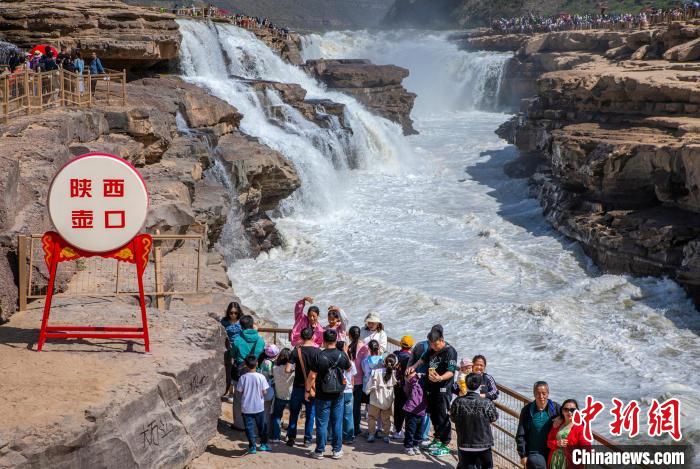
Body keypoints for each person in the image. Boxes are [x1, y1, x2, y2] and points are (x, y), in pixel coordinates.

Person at [406, 326, 457, 457]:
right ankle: (437, 439)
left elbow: (451, 371)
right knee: (433, 415)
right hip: (431, 388)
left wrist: (440, 378)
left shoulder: (450, 351)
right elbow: (423, 359)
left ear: (442, 340)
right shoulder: (431, 348)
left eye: (435, 345)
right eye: (431, 345)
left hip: (444, 388)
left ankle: (445, 444)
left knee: (442, 415)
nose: (433, 347)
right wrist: (413, 366)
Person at [306, 329, 351, 460]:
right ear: (336, 340)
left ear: (323, 340)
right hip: (338, 394)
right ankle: (337, 450)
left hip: (322, 394)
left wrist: (308, 391)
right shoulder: (342, 355)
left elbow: (312, 376)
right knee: (337, 422)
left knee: (322, 423)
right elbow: (349, 368)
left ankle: (319, 451)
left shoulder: (319, 356)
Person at [450, 373, 499, 469]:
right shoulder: (487, 402)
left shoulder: (458, 401)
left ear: (466, 384)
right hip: (484, 444)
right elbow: (494, 417)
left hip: (464, 443)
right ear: (480, 386)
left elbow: (453, 418)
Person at [516, 381, 561, 469]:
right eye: (538, 393)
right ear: (534, 394)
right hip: (534, 453)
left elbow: (571, 417)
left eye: (544, 393)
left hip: (552, 450)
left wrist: (561, 418)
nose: (541, 396)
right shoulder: (527, 410)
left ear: (548, 393)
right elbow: (520, 434)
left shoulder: (556, 408)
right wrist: (523, 455)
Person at [230, 315, 265, 430]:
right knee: (254, 397)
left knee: (238, 398)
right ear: (252, 324)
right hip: (255, 372)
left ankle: (239, 424)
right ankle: (253, 424)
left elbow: (233, 354)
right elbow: (260, 354)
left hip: (240, 372)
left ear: (241, 326)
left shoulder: (237, 340)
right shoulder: (260, 340)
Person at [286, 327, 319, 447]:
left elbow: (287, 369)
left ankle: (291, 438)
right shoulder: (317, 352)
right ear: (313, 336)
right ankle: (307, 439)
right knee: (310, 414)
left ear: (301, 337)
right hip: (311, 388)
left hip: (297, 387)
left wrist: (294, 370)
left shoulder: (296, 351)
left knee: (294, 413)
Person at [236, 355, 272, 454]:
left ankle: (252, 447)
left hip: (246, 408)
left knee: (249, 428)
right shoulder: (261, 377)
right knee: (262, 427)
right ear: (257, 364)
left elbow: (239, 391)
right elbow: (264, 392)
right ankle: (263, 444)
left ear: (245, 365)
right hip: (259, 407)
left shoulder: (243, 377)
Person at [546, 399, 591, 469]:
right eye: (566, 409)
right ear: (562, 411)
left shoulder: (580, 428)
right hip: (554, 461)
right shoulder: (557, 424)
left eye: (572, 410)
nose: (569, 412)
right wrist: (557, 443)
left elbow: (587, 450)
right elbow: (548, 442)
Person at [365, 354, 397, 443]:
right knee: (386, 419)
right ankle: (386, 436)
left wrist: (367, 391)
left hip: (375, 398)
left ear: (384, 362)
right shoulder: (394, 373)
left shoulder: (376, 372)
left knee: (372, 417)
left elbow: (369, 385)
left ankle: (371, 435)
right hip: (387, 400)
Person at [391, 335, 414, 439]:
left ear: (401, 344)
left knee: (397, 406)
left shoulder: (395, 354)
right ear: (411, 346)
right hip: (405, 386)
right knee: (404, 408)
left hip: (395, 384)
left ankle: (396, 428)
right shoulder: (410, 358)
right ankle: (399, 430)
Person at [221, 301, 244, 401]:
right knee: (230, 370)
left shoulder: (242, 321)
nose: (233, 315)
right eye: (231, 313)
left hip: (240, 349)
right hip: (228, 349)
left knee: (239, 369)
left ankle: (239, 392)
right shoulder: (224, 321)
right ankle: (230, 392)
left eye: (235, 313)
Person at [348, 326, 369, 437]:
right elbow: (366, 366)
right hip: (360, 381)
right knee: (357, 407)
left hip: (349, 381)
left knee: (348, 407)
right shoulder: (365, 348)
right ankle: (356, 428)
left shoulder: (348, 347)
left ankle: (348, 428)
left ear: (349, 335)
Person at [270, 347, 294, 443]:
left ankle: (276, 436)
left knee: (277, 416)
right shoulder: (293, 369)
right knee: (293, 416)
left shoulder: (275, 368)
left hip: (279, 395)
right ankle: (289, 436)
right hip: (291, 395)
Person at [402, 367, 427, 455]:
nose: (415, 375)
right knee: (410, 430)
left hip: (421, 411)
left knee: (419, 431)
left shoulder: (421, 383)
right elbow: (411, 382)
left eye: (415, 373)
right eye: (412, 375)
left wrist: (423, 375)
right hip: (411, 410)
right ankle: (408, 446)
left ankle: (416, 445)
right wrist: (415, 377)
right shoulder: (409, 384)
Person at [337, 340, 357, 444]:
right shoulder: (351, 363)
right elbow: (353, 378)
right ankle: (349, 437)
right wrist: (352, 388)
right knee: (348, 415)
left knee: (337, 415)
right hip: (348, 390)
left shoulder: (335, 361)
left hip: (338, 390)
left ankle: (336, 436)